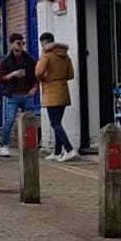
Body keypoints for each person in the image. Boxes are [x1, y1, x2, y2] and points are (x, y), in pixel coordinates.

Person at [0, 33, 38, 157]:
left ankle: (30, 145)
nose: (21, 46)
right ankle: (5, 145)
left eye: (22, 43)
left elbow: (36, 76)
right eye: (18, 43)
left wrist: (35, 88)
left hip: (27, 94)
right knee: (10, 121)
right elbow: (0, 79)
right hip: (12, 95)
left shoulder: (29, 59)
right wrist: (13, 74)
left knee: (30, 120)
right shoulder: (5, 61)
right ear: (12, 44)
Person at [37, 32, 76, 162]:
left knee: (55, 123)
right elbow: (71, 75)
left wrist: (44, 78)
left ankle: (69, 149)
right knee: (58, 122)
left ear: (45, 43)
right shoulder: (65, 55)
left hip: (51, 91)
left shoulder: (46, 55)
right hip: (63, 90)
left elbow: (38, 72)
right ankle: (57, 152)